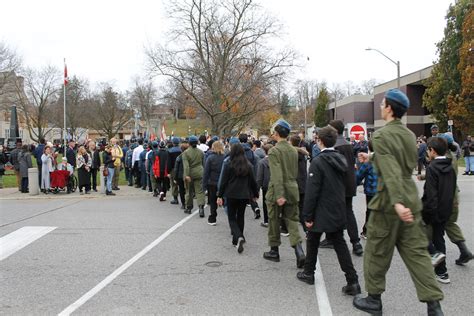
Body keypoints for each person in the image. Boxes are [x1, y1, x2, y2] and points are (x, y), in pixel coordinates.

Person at [354, 89, 444, 316]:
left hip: (389, 203)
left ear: (390, 108)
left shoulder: (382, 136)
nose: (381, 106)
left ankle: (374, 300)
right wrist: (372, 157)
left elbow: (392, 170)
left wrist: (396, 202)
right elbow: (399, 160)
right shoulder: (409, 135)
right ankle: (434, 306)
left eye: (383, 103)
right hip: (411, 199)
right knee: (417, 255)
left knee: (376, 252)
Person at [297, 126, 361, 296]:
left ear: (321, 141)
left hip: (321, 208)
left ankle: (309, 272)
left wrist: (307, 215)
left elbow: (312, 191)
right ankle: (352, 280)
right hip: (337, 206)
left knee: (312, 239)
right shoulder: (341, 159)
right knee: (339, 243)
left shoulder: (318, 162)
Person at [263, 119, 306, 269]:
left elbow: (276, 175)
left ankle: (274, 251)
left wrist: (279, 194)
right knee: (292, 221)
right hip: (293, 188)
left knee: (274, 220)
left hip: (278, 190)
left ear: (276, 133)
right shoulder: (293, 150)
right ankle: (299, 252)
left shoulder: (274, 151)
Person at [324, 119, 363, 256]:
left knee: (331, 210)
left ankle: (331, 238)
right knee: (348, 211)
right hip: (350, 182)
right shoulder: (347, 143)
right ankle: (356, 242)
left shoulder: (334, 145)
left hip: (338, 184)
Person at [421, 136, 456, 284]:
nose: (427, 153)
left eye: (428, 150)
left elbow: (431, 194)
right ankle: (442, 272)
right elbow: (452, 190)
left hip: (432, 210)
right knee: (439, 238)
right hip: (445, 209)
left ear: (432, 151)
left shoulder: (432, 168)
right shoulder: (450, 167)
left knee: (418, 230)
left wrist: (426, 214)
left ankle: (434, 255)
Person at [437, 133, 473, 265]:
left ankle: (462, 252)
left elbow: (444, 178)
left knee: (446, 224)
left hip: (449, 196)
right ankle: (463, 252)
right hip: (451, 195)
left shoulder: (447, 159)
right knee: (449, 224)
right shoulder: (449, 157)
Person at [217, 143, 259, 253]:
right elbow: (253, 182)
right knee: (240, 216)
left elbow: (223, 181)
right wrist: (255, 194)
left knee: (231, 217)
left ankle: (238, 236)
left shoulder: (228, 164)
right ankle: (237, 239)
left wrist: (219, 195)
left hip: (231, 194)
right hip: (244, 194)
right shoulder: (248, 165)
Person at [356, 140, 378, 239]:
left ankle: (366, 231)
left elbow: (359, 176)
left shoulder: (368, 162)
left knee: (369, 211)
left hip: (371, 190)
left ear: (368, 148)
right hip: (382, 190)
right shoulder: (384, 160)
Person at [239, 133, 261, 219]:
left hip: (240, 174)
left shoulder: (238, 150)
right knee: (251, 193)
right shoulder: (251, 151)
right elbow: (256, 164)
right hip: (250, 174)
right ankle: (255, 207)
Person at [203, 140, 225, 225]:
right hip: (223, 181)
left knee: (212, 201)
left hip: (212, 182)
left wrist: (204, 185)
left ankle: (213, 217)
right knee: (223, 198)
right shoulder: (225, 157)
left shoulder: (210, 158)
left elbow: (206, 172)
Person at [182, 136, 205, 216]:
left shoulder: (185, 153)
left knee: (189, 191)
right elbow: (203, 163)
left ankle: (189, 207)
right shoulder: (201, 152)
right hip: (199, 172)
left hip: (190, 173)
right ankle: (201, 207)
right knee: (199, 191)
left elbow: (186, 166)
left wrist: (186, 175)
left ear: (189, 143)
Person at [290, 135, 309, 231]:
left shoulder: (292, 154)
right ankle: (306, 228)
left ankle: (305, 229)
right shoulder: (303, 153)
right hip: (303, 183)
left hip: (295, 183)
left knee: (293, 207)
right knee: (301, 207)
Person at [256, 143, 273, 227]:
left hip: (266, 184)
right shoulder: (277, 161)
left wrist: (257, 190)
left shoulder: (262, 162)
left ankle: (267, 220)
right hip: (275, 183)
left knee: (266, 203)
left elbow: (259, 177)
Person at [174, 142, 189, 209]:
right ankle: (188, 202)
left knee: (182, 190)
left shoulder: (179, 157)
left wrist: (175, 177)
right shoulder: (190, 157)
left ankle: (183, 204)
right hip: (188, 175)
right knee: (188, 190)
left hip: (180, 175)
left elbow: (176, 168)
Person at [168, 137, 182, 204]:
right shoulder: (181, 150)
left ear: (173, 143)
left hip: (173, 169)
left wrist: (168, 171)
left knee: (174, 184)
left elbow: (168, 162)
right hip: (182, 168)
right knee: (182, 183)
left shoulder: (170, 151)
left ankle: (175, 198)